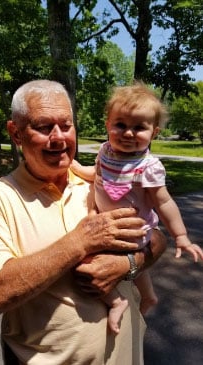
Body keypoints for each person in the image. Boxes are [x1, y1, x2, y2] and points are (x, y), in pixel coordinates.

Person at [0, 80, 167, 364]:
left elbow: (157, 237)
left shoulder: (101, 182)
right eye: (44, 127)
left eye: (66, 125)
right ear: (16, 133)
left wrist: (127, 264)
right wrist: (79, 241)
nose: (59, 137)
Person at [71, 82, 203, 334]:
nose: (128, 133)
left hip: (131, 231)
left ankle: (116, 301)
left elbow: (164, 202)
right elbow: (97, 174)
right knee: (131, 267)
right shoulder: (105, 151)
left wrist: (181, 236)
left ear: (153, 133)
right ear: (108, 124)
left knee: (89, 261)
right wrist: (77, 169)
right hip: (111, 224)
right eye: (120, 125)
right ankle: (148, 296)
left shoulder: (147, 167)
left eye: (139, 127)